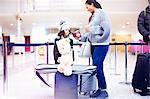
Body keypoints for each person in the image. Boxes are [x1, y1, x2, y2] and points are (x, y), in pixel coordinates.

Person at [75, 0, 111, 98]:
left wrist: (91, 30)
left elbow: (106, 29)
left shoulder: (101, 13)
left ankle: (104, 91)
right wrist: (82, 37)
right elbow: (92, 33)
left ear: (92, 4)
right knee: (96, 67)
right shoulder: (94, 15)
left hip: (101, 44)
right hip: (95, 44)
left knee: (97, 67)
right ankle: (100, 89)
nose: (86, 9)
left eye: (87, 7)